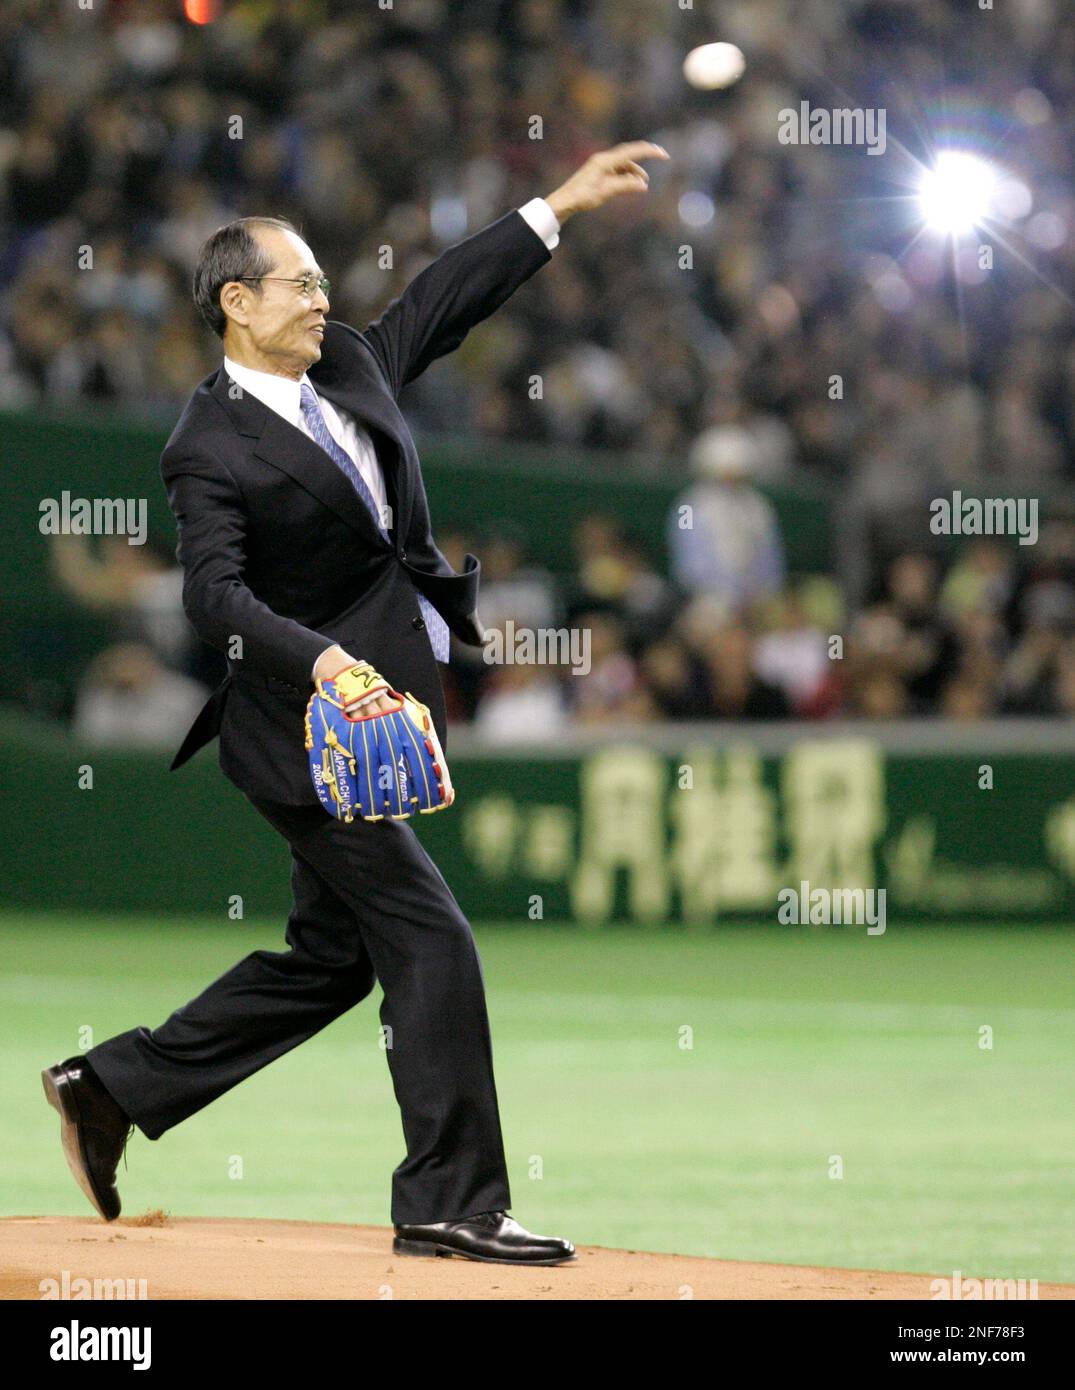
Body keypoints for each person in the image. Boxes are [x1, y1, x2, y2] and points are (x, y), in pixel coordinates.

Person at [42, 141, 670, 1268]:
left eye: (326, 280)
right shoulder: (207, 445)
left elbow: (442, 294)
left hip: (378, 703)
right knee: (434, 941)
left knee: (334, 957)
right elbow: (212, 599)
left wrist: (556, 207)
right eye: (303, 282)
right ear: (237, 303)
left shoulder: (348, 365)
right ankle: (451, 1200)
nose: (326, 296)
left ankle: (111, 1084)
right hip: (297, 729)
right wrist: (323, 662)